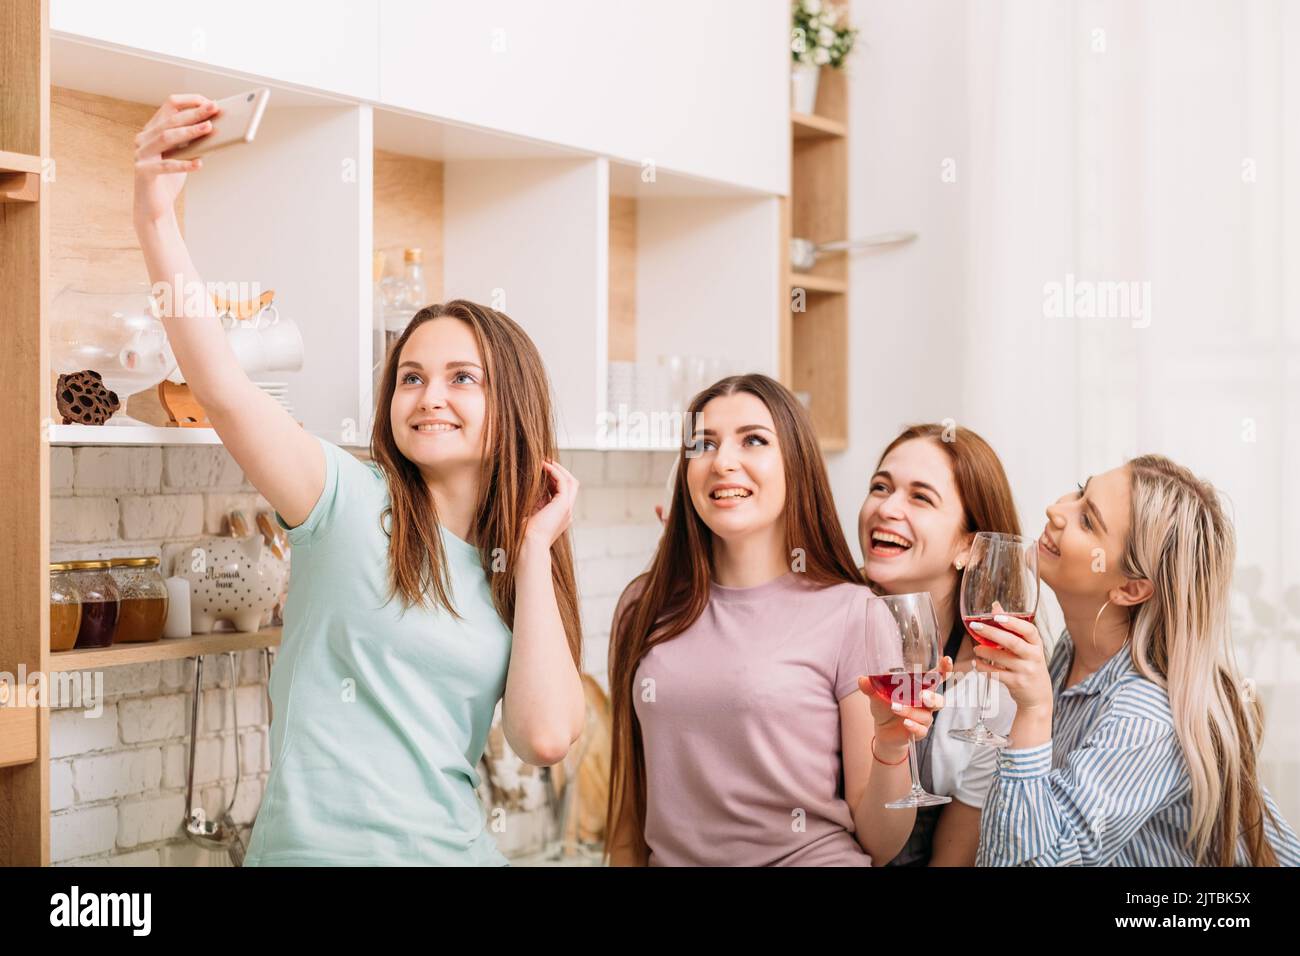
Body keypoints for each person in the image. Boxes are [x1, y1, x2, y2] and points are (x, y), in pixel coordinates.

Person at [132, 94, 586, 864]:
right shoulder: (343, 498)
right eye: (410, 377)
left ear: (512, 403)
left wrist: (537, 547)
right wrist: (154, 217)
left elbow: (543, 736)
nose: (428, 396)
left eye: (461, 378)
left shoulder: (520, 566)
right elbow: (222, 386)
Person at [605, 374, 946, 866]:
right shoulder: (643, 606)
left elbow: (880, 840)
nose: (723, 461)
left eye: (754, 440)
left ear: (796, 466)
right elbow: (629, 807)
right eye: (703, 444)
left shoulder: (855, 613)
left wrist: (891, 747)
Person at [975, 455, 1300, 866]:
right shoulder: (1072, 653)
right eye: (1079, 490)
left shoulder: (1144, 718)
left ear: (1130, 589)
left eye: (1088, 521)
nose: (1056, 510)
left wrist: (1034, 712)